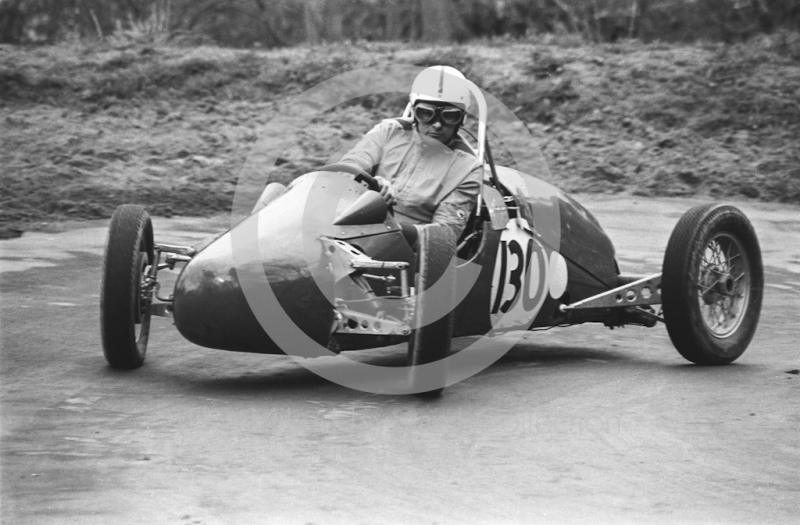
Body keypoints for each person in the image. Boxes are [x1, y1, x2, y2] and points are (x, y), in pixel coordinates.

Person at [337, 66, 483, 248]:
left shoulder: (468, 168)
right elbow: (348, 167)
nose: (437, 124)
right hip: (351, 224)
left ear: (461, 119)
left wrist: (390, 229)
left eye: (449, 116)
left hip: (405, 252)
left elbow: (444, 236)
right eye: (426, 113)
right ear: (415, 112)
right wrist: (371, 183)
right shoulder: (388, 131)